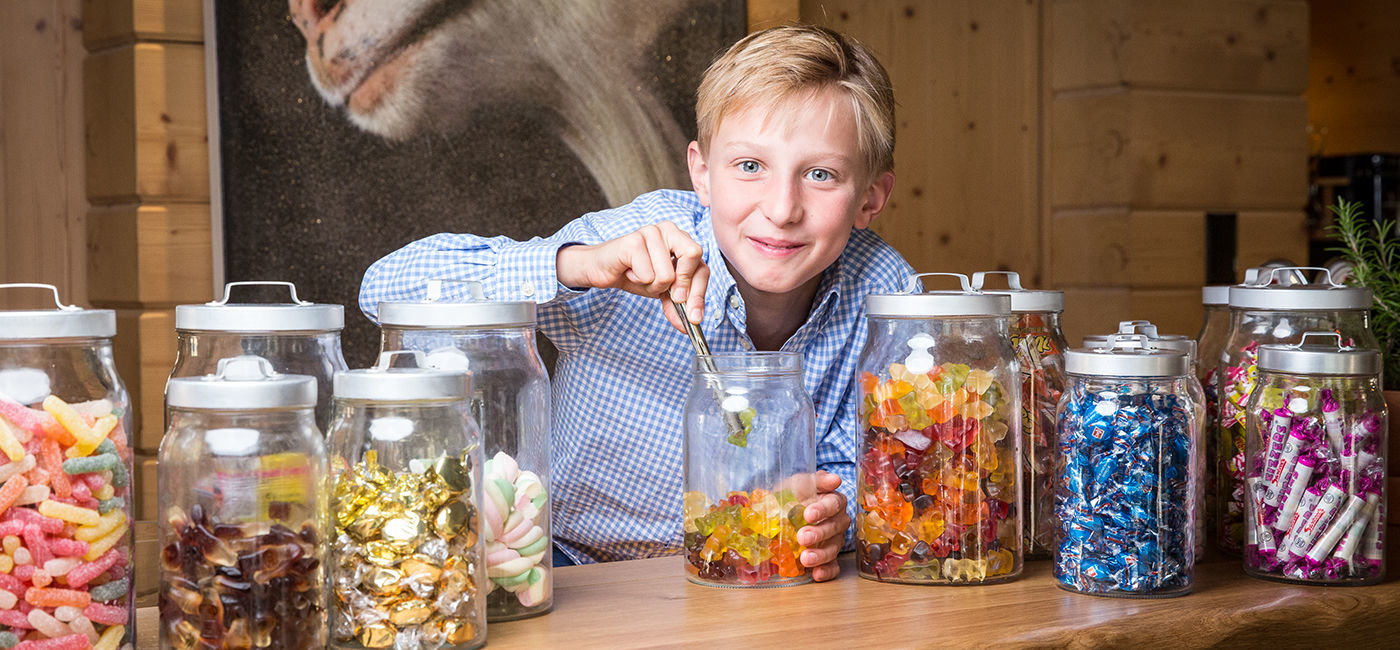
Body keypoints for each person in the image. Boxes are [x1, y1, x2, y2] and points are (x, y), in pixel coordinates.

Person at [358, 24, 912, 581]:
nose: (782, 208)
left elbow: (876, 469)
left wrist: (836, 519)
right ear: (702, 173)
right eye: (750, 166)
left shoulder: (885, 296)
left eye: (820, 175)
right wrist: (572, 265)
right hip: (567, 569)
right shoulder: (626, 243)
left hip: (755, 574)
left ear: (870, 198)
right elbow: (383, 289)